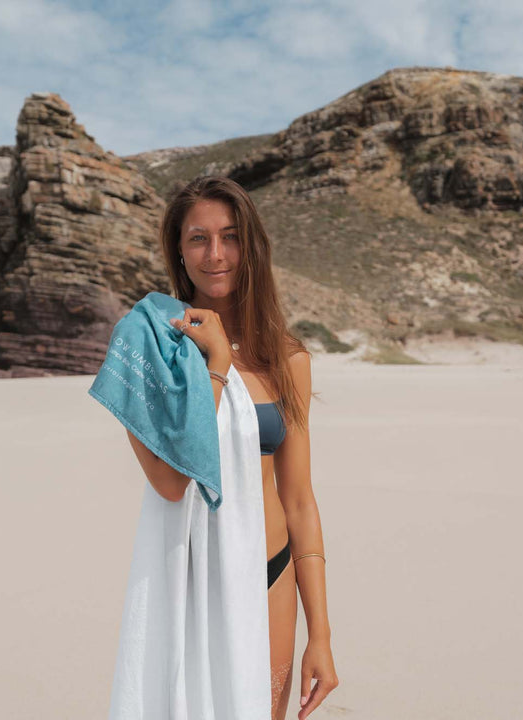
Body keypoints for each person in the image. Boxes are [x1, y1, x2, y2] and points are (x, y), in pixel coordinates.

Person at [123, 175, 339, 719]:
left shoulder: (286, 359)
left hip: (272, 578)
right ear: (178, 248)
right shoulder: (152, 346)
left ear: (252, 246)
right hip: (189, 583)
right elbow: (171, 482)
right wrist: (216, 365)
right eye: (198, 238)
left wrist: (322, 636)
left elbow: (298, 500)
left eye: (230, 236)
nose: (215, 254)